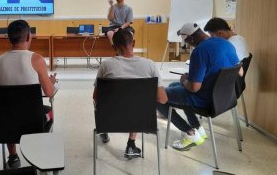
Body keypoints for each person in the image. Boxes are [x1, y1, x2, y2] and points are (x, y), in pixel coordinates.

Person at [156, 23, 241, 151]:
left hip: (204, 101)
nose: (188, 46)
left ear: (191, 38)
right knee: (174, 86)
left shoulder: (199, 51)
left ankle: (190, 134)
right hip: (224, 99)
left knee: (157, 96)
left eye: (187, 42)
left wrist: (185, 80)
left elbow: (194, 88)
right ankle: (198, 127)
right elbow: (240, 71)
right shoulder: (226, 43)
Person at [92, 29, 167, 159]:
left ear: (113, 47)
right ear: (134, 43)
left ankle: (104, 130)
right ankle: (131, 144)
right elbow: (163, 99)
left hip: (110, 120)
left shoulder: (106, 65)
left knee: (101, 104)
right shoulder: (149, 65)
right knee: (137, 105)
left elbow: (96, 97)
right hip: (141, 120)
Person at [0, 19, 57, 169]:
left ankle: (13, 156)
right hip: (32, 122)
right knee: (49, 112)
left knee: (8, 108)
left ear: (9, 38)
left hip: (4, 123)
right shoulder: (36, 59)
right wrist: (51, 82)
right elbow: (49, 93)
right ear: (29, 37)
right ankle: (38, 154)